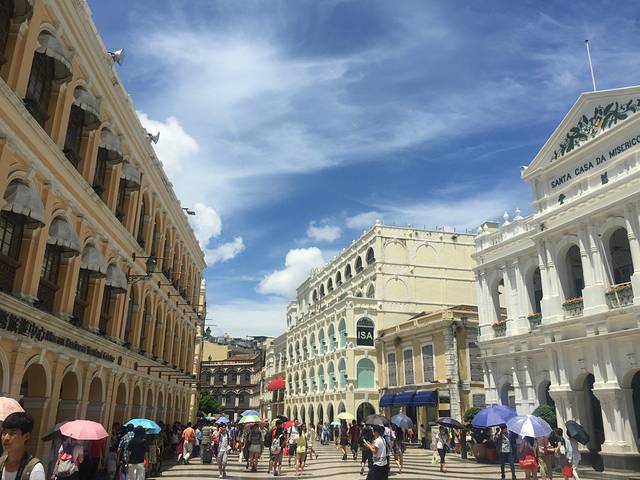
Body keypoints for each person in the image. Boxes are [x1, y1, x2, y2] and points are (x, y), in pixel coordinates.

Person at [0, 412, 45, 480]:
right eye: (4, 433)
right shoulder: (1, 463)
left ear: (26, 436)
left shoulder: (34, 469)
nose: (6, 438)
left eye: (13, 433)